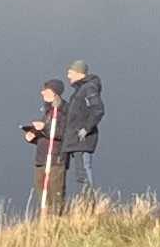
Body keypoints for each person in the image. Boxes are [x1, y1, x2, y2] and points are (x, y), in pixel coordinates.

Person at [22, 80, 69, 218]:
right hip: (41, 159)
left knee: (56, 194)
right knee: (42, 194)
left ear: (55, 93)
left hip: (56, 159)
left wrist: (44, 128)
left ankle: (56, 222)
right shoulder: (47, 110)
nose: (42, 92)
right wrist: (33, 137)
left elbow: (63, 133)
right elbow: (48, 135)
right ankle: (44, 223)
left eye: (46, 90)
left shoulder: (64, 111)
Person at [59, 61, 105, 201]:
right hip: (77, 141)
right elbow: (73, 113)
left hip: (82, 140)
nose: (68, 75)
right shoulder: (80, 90)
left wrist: (86, 128)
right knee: (80, 175)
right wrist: (60, 104)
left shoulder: (89, 88)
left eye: (70, 72)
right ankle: (86, 205)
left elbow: (98, 110)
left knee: (83, 173)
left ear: (79, 72)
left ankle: (89, 206)